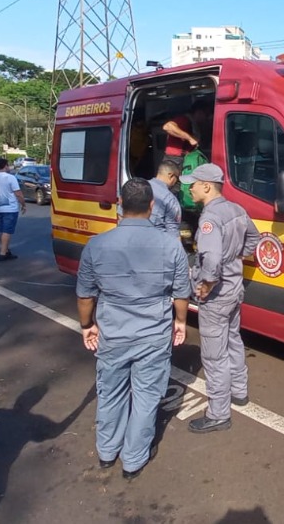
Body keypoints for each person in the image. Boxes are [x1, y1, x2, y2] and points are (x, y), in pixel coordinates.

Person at [77, 178, 191, 479]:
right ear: (152, 206)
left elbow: (85, 295)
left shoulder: (96, 245)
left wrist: (87, 325)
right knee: (146, 396)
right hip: (153, 334)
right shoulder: (171, 245)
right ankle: (133, 460)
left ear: (119, 204)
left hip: (113, 332)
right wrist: (180, 321)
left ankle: (106, 451)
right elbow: (181, 293)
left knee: (110, 392)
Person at [180, 164, 260, 433]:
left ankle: (218, 414)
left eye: (193, 184)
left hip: (217, 295)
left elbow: (212, 259)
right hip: (234, 288)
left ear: (206, 186)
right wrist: (236, 257)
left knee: (214, 356)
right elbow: (254, 238)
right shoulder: (236, 209)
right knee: (233, 339)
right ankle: (239, 391)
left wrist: (208, 282)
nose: (189, 188)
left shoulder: (210, 218)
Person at [0, 157, 25, 261]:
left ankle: (6, 250)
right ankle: (3, 253)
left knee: (2, 229)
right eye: (8, 165)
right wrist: (23, 204)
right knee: (7, 231)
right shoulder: (10, 178)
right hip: (10, 208)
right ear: (5, 166)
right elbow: (18, 193)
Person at [149, 158, 183, 237]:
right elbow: (173, 234)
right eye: (177, 179)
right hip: (156, 241)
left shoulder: (136, 188)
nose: (176, 183)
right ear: (171, 176)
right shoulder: (170, 199)